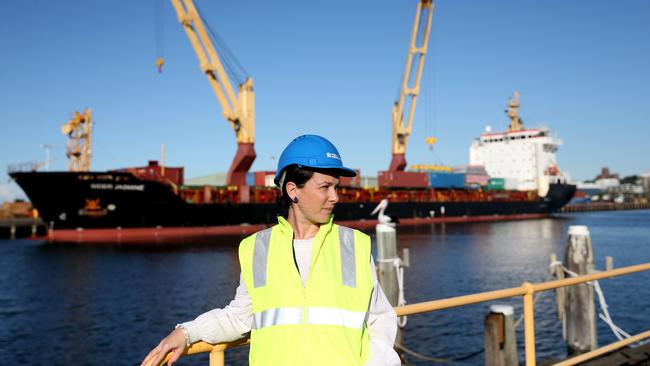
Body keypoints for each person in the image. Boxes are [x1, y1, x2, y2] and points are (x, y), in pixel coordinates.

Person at [141, 135, 400, 366]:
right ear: (293, 191)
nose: (335, 196)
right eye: (325, 187)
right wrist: (187, 333)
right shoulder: (256, 248)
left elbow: (380, 318)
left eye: (337, 187)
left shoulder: (354, 245)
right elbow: (239, 318)